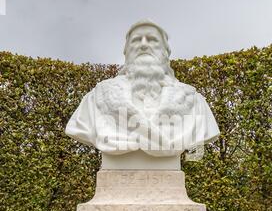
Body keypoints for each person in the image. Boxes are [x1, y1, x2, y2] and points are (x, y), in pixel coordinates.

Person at [65, 20, 219, 157]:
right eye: (136, 40)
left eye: (152, 40)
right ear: (126, 52)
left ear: (165, 52)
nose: (144, 45)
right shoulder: (95, 98)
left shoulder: (195, 102)